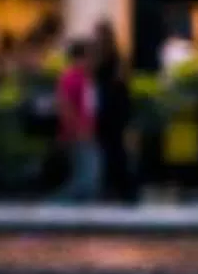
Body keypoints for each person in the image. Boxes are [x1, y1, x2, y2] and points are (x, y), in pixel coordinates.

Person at [91, 22, 137, 204]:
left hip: (111, 111)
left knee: (114, 150)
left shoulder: (111, 59)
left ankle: (120, 189)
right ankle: (120, 189)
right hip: (113, 110)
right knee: (114, 150)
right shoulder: (115, 58)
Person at [56, 35, 100, 199]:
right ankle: (54, 206)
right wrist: (77, 129)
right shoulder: (71, 78)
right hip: (78, 134)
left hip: (86, 133)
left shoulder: (85, 78)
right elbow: (65, 105)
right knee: (86, 179)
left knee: (86, 178)